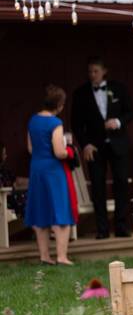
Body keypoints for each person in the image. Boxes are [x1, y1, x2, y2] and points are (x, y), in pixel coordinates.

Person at [71, 56, 133, 239]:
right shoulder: (81, 93)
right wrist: (85, 144)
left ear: (104, 71)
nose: (92, 75)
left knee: (121, 183)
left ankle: (121, 226)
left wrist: (118, 121)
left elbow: (131, 111)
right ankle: (102, 229)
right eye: (90, 71)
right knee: (98, 186)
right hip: (95, 147)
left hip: (118, 144)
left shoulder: (118, 88)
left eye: (96, 71)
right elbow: (76, 124)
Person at [25, 85, 75, 265]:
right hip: (53, 170)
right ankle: (62, 256)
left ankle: (44, 256)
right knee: (61, 209)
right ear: (59, 105)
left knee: (41, 210)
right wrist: (69, 149)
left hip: (37, 168)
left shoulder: (32, 121)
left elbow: (30, 148)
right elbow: (59, 152)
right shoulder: (55, 123)